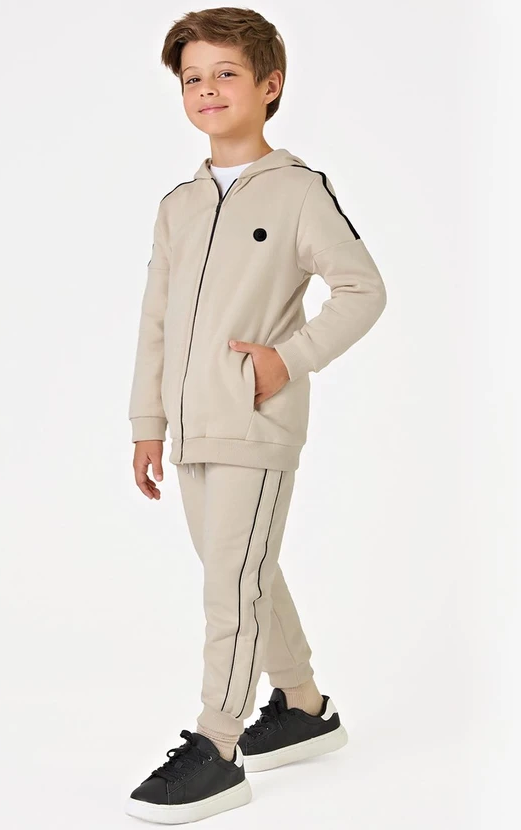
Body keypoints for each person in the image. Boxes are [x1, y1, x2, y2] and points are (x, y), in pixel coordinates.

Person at [125, 7, 387, 824]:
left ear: (270, 85)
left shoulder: (300, 191)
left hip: (256, 421)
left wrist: (287, 359)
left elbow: (362, 290)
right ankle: (303, 706)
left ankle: (218, 745)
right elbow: (157, 318)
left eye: (226, 74)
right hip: (190, 425)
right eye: (193, 77)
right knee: (243, 572)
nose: (207, 89)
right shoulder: (179, 204)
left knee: (229, 587)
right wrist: (146, 422)